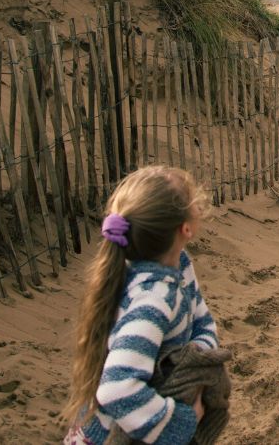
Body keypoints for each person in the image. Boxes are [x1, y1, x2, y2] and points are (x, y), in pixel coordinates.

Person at [63, 166, 219, 445]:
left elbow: (202, 321)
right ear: (186, 228)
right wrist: (182, 420)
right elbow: (116, 388)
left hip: (146, 419)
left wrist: (195, 369)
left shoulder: (179, 267)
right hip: (118, 434)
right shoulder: (153, 299)